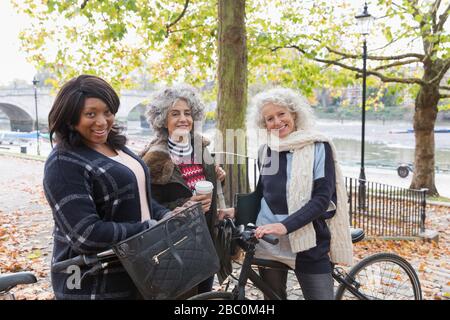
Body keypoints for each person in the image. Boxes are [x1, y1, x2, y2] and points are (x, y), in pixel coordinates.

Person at [43, 75, 171, 300]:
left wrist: (165, 215)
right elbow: (86, 234)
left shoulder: (113, 145)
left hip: (138, 272)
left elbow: (135, 196)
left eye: (108, 112)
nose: (102, 122)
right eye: (90, 114)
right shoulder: (63, 163)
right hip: (94, 282)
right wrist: (148, 229)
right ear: (71, 118)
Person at [250, 87, 353, 300]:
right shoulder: (266, 151)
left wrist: (285, 225)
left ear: (294, 114)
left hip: (309, 241)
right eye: (270, 118)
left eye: (281, 114)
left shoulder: (318, 146)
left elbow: (322, 200)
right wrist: (233, 211)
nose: (277, 122)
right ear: (264, 124)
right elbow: (263, 193)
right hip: (270, 242)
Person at [140, 84, 234, 297]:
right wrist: (185, 206)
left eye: (188, 113)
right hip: (176, 244)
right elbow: (147, 205)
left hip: (207, 238)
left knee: (204, 295)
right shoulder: (155, 157)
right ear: (163, 119)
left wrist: (218, 177)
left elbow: (208, 188)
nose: (183, 118)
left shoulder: (200, 147)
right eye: (175, 113)